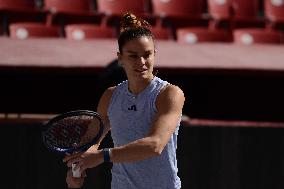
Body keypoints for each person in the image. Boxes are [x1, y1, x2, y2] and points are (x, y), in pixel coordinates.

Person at [63, 12, 185, 189]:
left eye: (147, 54)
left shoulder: (170, 94)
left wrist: (101, 156)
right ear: (120, 58)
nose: (142, 61)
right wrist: (77, 168)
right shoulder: (110, 96)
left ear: (154, 55)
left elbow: (155, 145)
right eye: (133, 56)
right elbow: (92, 143)